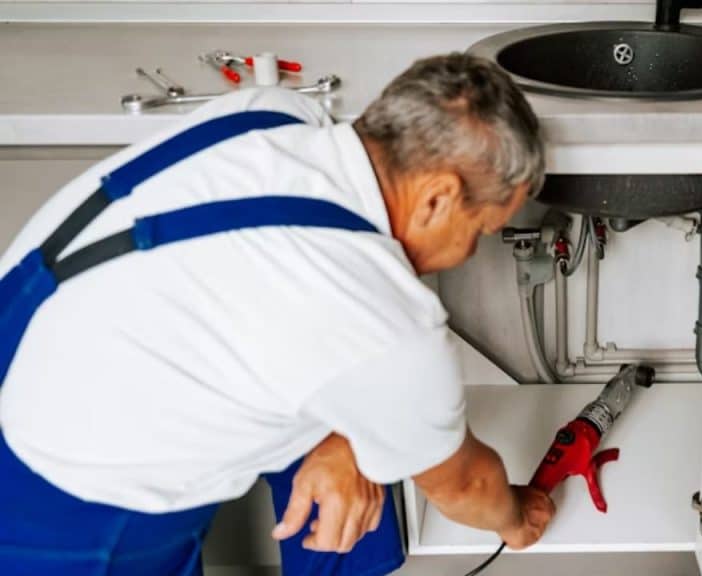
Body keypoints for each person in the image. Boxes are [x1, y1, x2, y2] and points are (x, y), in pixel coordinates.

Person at [0, 53, 554, 576]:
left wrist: (348, 441)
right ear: (436, 198)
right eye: (481, 230)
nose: (471, 253)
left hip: (40, 336)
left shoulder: (270, 112)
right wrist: (517, 516)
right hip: (61, 501)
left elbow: (277, 307)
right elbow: (464, 487)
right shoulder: (386, 326)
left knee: (363, 425)